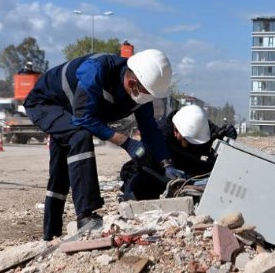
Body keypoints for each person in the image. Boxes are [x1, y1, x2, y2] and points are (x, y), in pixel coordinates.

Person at [23, 49, 185, 241]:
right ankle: (85, 215)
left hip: (70, 113)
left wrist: (167, 163)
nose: (148, 99)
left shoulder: (141, 94)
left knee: (60, 171)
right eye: (147, 93)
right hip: (46, 102)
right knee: (79, 136)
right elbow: (83, 117)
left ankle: (51, 235)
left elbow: (149, 130)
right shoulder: (96, 71)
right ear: (132, 82)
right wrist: (125, 142)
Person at [120, 104, 237, 201]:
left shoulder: (198, 124)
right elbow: (141, 166)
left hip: (188, 167)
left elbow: (218, 133)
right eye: (188, 141)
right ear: (176, 131)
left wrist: (228, 133)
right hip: (165, 170)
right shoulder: (161, 134)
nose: (191, 144)